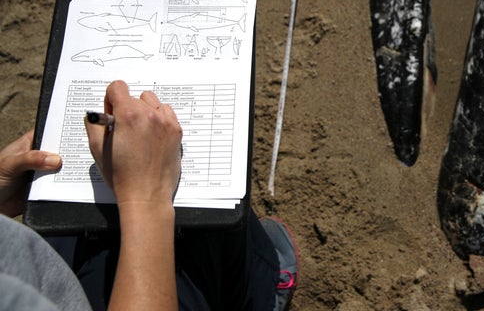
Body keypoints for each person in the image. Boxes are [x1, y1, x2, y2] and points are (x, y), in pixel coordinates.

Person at [0, 80, 298, 310]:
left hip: (37, 258)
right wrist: (147, 198)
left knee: (87, 220)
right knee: (202, 227)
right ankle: (264, 290)